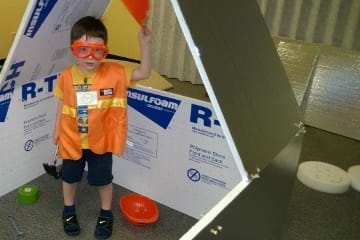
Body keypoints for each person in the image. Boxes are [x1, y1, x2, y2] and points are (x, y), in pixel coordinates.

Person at [52, 16, 151, 239]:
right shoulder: (66, 76)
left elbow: (143, 73)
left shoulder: (115, 73)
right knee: (69, 178)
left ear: (105, 51)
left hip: (101, 143)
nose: (90, 57)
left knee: (103, 180)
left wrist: (145, 45)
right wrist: (56, 129)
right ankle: (68, 210)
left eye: (98, 51)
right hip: (72, 140)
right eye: (83, 49)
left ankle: (106, 213)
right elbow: (62, 103)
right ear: (73, 50)